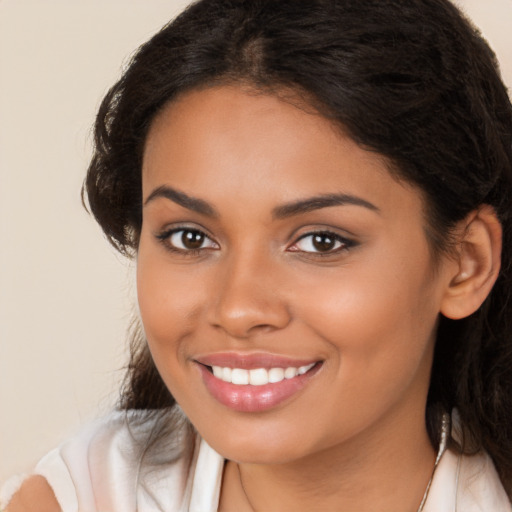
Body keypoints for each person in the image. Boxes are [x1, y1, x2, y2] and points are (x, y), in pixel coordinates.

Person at [3, 0, 512, 510]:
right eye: (190, 237)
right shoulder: (82, 498)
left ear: (465, 264)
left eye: (321, 241)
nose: (238, 309)